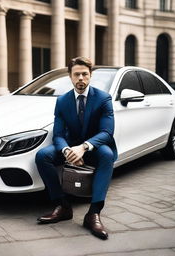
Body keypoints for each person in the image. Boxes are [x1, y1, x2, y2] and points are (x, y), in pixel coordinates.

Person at [35, 56, 117, 240]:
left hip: (95, 148)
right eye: (77, 74)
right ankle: (62, 206)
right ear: (70, 77)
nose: (81, 78)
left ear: (90, 75)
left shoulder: (103, 99)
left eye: (85, 74)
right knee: (43, 156)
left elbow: (107, 132)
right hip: (70, 148)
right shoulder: (62, 101)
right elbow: (57, 134)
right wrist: (67, 151)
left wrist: (84, 148)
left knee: (107, 154)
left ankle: (93, 213)